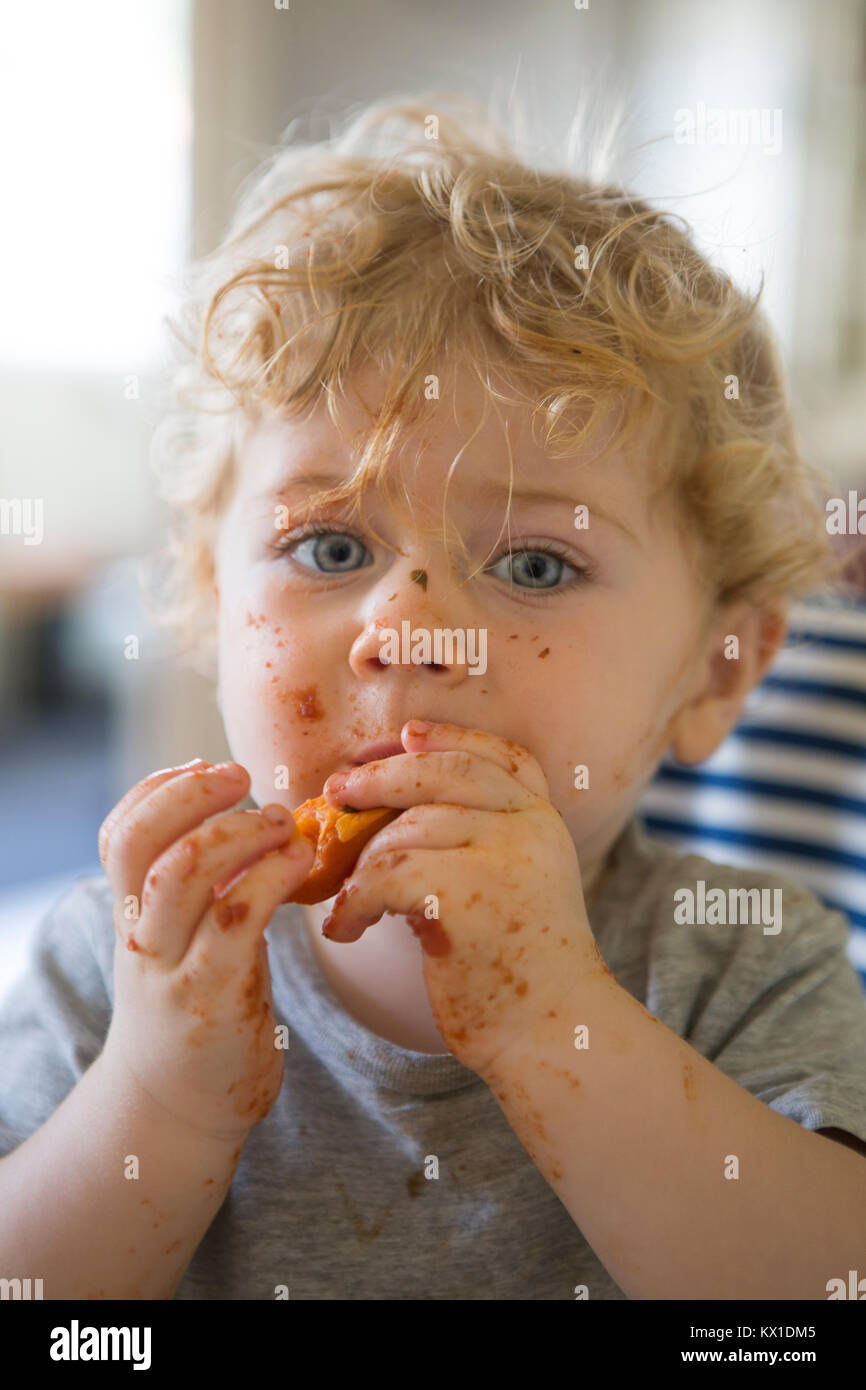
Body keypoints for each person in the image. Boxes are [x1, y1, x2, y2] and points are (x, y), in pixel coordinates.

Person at [2, 94, 865, 1301]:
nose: (405, 628)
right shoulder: (124, 957)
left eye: (532, 565)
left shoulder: (734, 963)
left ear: (714, 668)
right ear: (211, 592)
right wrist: (155, 1097)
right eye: (330, 549)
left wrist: (550, 1025)